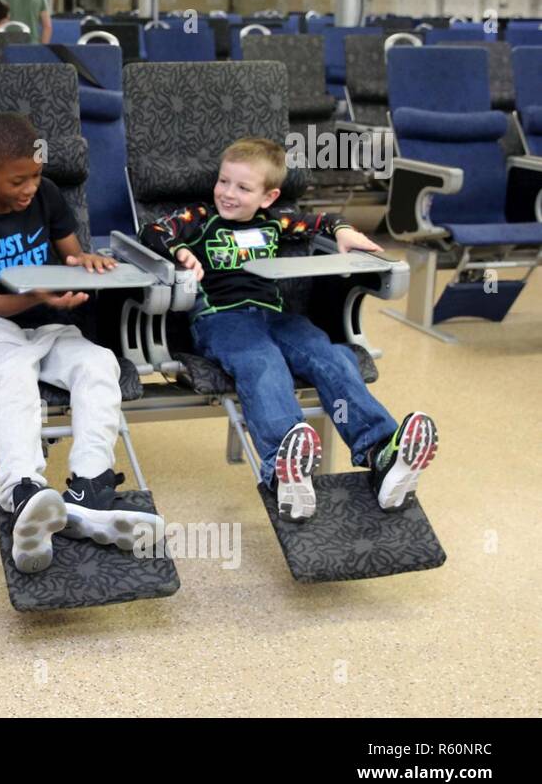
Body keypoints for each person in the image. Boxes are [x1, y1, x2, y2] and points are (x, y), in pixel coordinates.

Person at [138, 137, 438, 521]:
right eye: (223, 181)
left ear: (268, 196)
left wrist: (343, 230)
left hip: (276, 317)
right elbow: (153, 231)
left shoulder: (275, 222)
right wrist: (180, 252)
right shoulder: (199, 218)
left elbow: (322, 221)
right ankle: (284, 466)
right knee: (263, 363)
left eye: (243, 188)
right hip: (222, 320)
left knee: (331, 357)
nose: (228, 193)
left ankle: (380, 450)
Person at [0, 113, 163, 574]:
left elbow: (71, 253)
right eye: (17, 180)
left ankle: (89, 487)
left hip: (47, 328)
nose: (29, 188)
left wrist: (86, 264)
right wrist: (37, 295)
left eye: (36, 176)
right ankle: (23, 491)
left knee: (100, 363)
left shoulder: (46, 196)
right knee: (15, 373)